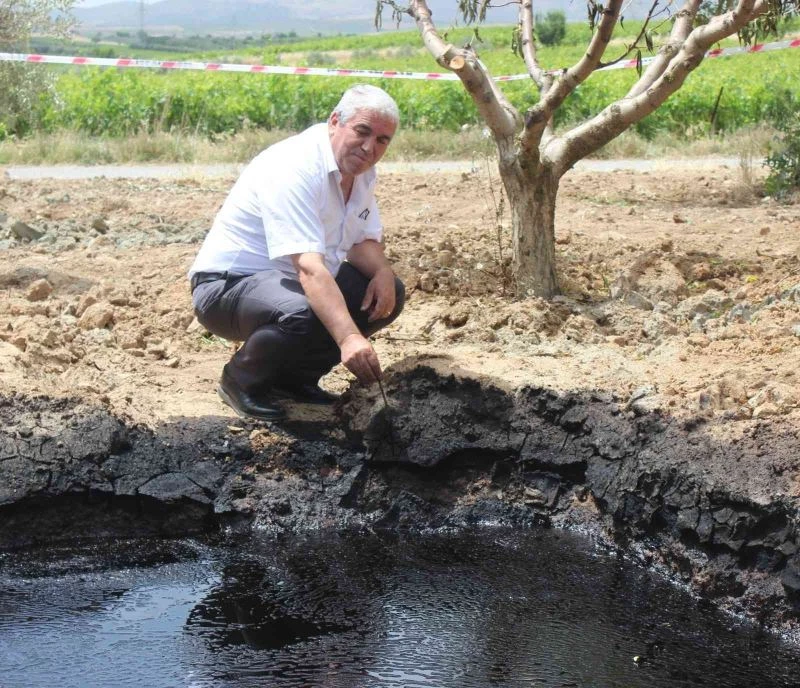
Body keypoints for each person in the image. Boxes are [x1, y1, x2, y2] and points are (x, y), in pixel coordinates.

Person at [188, 84, 405, 421]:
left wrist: (382, 272)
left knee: (385, 293)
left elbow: (361, 241)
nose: (369, 147)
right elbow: (309, 269)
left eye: (381, 140)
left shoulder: (359, 172)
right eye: (362, 131)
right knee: (306, 311)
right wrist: (349, 338)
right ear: (335, 121)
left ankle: (294, 381)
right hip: (226, 287)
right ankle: (240, 381)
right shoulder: (294, 166)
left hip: (288, 285)